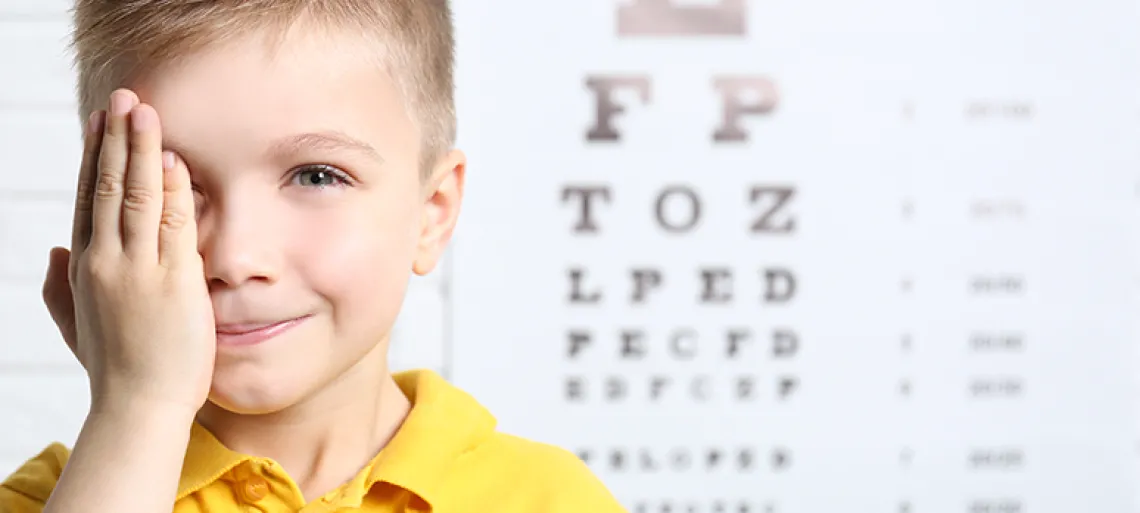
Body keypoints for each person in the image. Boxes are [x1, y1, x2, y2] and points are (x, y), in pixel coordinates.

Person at [0, 1, 626, 512]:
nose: (236, 256)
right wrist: (138, 408)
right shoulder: (56, 497)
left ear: (431, 212)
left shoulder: (549, 499)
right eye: (177, 187)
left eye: (316, 177)